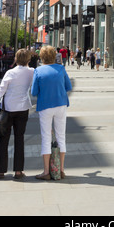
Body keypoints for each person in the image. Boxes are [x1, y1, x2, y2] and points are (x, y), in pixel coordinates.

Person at [31, 45, 72, 180]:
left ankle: (46, 171)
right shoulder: (61, 69)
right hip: (61, 104)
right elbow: (68, 86)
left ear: (41, 57)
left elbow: (34, 92)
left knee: (46, 136)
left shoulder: (38, 71)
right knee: (61, 136)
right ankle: (61, 170)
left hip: (45, 106)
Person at [0, 48, 33, 179]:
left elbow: (1, 90)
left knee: (4, 139)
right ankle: (18, 171)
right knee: (19, 138)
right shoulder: (32, 72)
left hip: (8, 108)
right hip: (23, 108)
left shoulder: (10, 72)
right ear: (28, 59)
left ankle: (1, 171)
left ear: (16, 59)